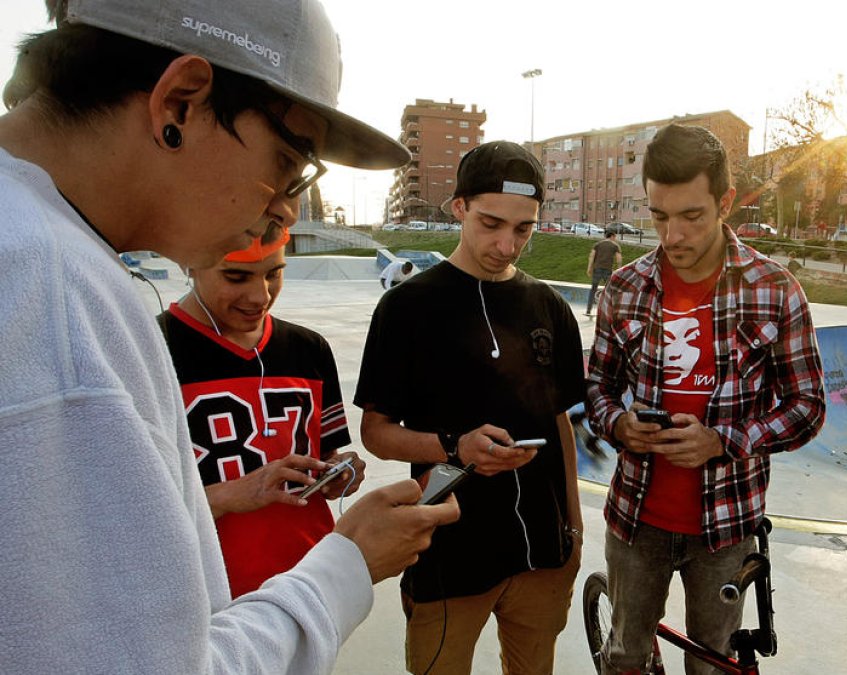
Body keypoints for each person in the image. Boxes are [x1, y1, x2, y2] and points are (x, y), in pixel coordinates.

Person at [0, 1, 459, 671]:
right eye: (290, 162)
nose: (287, 210)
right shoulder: (54, 294)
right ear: (180, 103)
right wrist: (347, 565)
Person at [585, 124, 826, 675]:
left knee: (712, 665)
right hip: (635, 518)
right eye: (659, 216)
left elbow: (808, 406)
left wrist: (723, 441)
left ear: (726, 203)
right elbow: (596, 388)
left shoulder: (774, 288)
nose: (672, 236)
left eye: (691, 216)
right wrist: (619, 425)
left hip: (725, 526)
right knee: (624, 657)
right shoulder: (625, 288)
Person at [356, 140, 585, 674]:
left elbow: (561, 425)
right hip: (446, 550)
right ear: (458, 208)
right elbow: (376, 432)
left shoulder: (549, 307)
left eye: (523, 229)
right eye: (491, 223)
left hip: (542, 554)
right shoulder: (407, 308)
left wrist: (572, 529)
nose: (507, 244)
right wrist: (455, 447)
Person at [159, 230, 368, 598]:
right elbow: (126, 514)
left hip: (308, 579)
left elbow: (324, 455)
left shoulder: (309, 348)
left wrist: (339, 472)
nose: (261, 296)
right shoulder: (151, 349)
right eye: (236, 277)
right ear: (189, 261)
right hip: (202, 593)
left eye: (274, 273)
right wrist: (230, 494)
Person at [586, 225, 623, 316]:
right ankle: (610, 311)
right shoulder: (615, 245)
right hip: (607, 270)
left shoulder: (598, 244)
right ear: (612, 236)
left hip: (597, 269)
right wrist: (619, 270)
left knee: (593, 289)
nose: (615, 239)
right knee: (610, 291)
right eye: (615, 237)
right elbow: (619, 259)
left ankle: (588, 310)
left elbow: (592, 256)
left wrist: (589, 268)